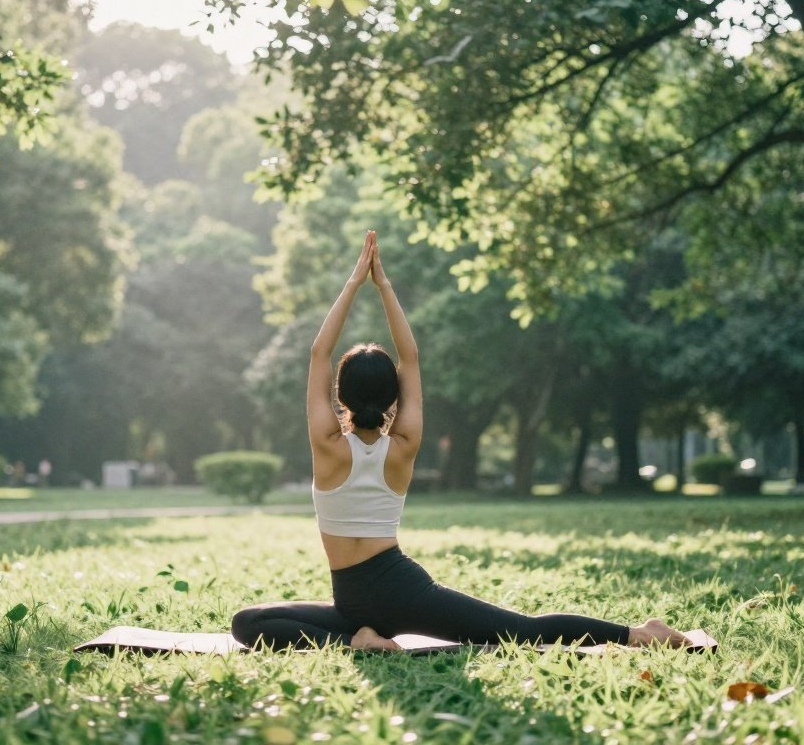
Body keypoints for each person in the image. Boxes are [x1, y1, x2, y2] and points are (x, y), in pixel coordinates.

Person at [231, 231, 689, 651]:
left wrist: (354, 283)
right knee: (522, 630)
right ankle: (360, 639)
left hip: (371, 593)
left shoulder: (327, 444)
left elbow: (319, 353)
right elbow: (409, 357)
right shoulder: (403, 443)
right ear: (393, 393)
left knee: (249, 624)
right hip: (381, 597)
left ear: (340, 393)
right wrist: (384, 286)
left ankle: (640, 635)